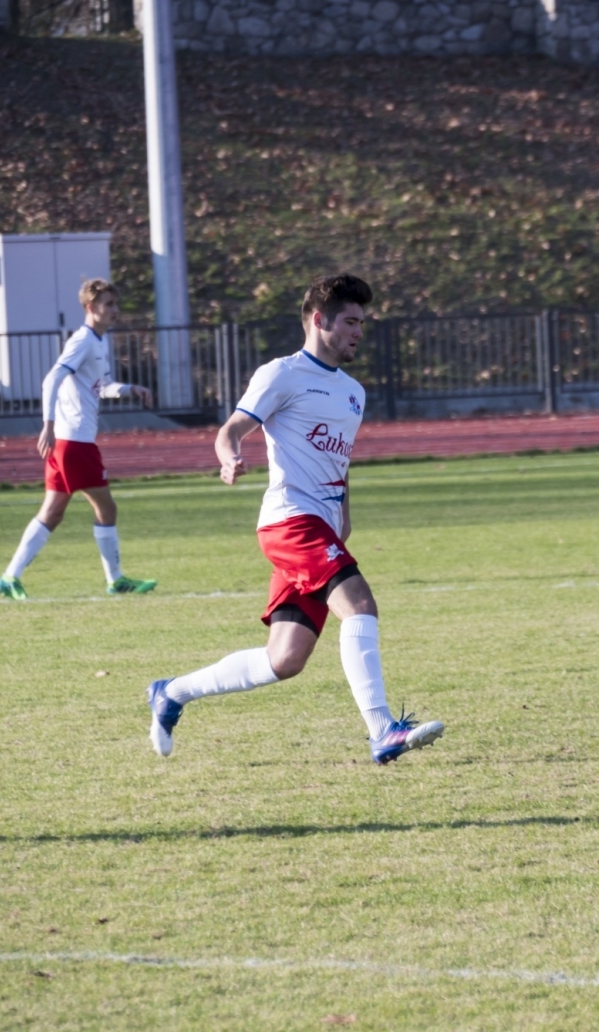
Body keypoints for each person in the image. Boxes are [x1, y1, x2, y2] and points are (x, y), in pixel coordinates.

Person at [146, 274, 444, 764]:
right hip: (290, 521)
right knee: (360, 604)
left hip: (320, 526)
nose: (358, 332)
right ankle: (382, 730)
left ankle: (171, 692)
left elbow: (340, 462)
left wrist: (344, 517)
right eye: (350, 322)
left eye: (362, 324)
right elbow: (232, 429)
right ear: (318, 319)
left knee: (284, 659)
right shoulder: (281, 374)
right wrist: (229, 456)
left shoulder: (353, 392)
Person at [0, 279, 158, 599]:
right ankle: (115, 580)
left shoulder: (99, 341)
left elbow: (104, 385)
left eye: (115, 304)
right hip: (74, 443)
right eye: (108, 304)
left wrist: (130, 390)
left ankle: (9, 577)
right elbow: (52, 378)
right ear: (90, 308)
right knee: (106, 509)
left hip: (70, 442)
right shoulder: (82, 340)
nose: (115, 310)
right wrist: (47, 424)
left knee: (52, 513)